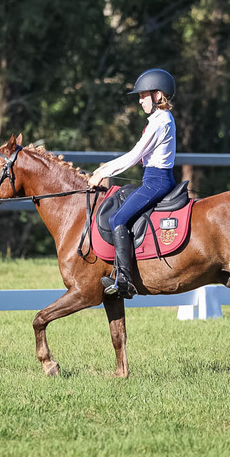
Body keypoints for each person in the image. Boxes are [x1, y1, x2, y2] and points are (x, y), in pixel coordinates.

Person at [87, 68, 177, 298]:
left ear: (158, 95)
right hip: (152, 179)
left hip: (156, 182)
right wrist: (101, 170)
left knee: (117, 219)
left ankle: (124, 279)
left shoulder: (160, 121)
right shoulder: (159, 119)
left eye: (143, 95)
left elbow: (134, 155)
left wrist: (103, 172)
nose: (140, 100)